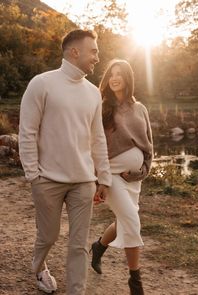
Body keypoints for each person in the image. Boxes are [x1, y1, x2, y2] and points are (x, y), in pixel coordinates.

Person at [19, 29, 112, 295]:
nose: (97, 57)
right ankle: (39, 269)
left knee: (79, 244)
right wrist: (33, 175)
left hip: (83, 181)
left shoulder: (93, 93)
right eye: (93, 51)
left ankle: (76, 291)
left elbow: (98, 138)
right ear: (75, 51)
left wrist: (103, 177)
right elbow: (28, 131)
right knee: (48, 236)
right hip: (47, 180)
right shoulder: (42, 84)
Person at [91, 59, 153, 295]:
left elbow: (149, 145)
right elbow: (94, 145)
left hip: (133, 178)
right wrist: (100, 179)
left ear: (128, 79)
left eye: (120, 74)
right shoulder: (101, 106)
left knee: (124, 221)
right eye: (111, 74)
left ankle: (98, 247)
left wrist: (142, 171)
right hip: (111, 176)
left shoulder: (141, 109)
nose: (115, 78)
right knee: (131, 220)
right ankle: (135, 282)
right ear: (107, 79)